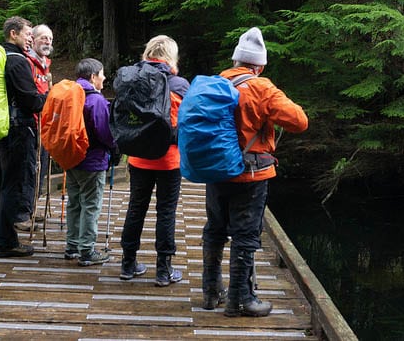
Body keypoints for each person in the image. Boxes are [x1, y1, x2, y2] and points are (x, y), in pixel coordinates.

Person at [202, 27, 308, 316]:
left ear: (235, 60)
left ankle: (211, 293)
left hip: (215, 170)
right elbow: (299, 121)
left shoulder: (216, 82)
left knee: (214, 229)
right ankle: (241, 300)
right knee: (246, 235)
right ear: (259, 65)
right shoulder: (262, 87)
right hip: (250, 175)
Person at [118, 35, 190, 286]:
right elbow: (184, 122)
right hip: (169, 159)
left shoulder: (133, 80)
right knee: (166, 212)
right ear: (171, 57)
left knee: (136, 208)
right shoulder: (179, 84)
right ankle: (163, 270)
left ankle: (127, 264)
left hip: (138, 156)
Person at [0, 16, 47, 257]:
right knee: (12, 183)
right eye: (27, 34)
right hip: (18, 129)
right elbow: (30, 100)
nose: (30, 38)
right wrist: (47, 97)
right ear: (13, 34)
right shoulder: (17, 62)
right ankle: (6, 242)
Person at [64, 58, 116, 266]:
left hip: (71, 158)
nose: (104, 78)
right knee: (91, 205)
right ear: (93, 77)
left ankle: (72, 246)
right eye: (102, 74)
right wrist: (115, 147)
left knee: (74, 202)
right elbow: (104, 132)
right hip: (92, 160)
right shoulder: (96, 100)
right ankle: (87, 250)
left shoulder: (70, 95)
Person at [15, 24, 53, 230]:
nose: (47, 42)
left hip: (44, 125)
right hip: (29, 124)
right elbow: (30, 96)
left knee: (41, 168)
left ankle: (31, 208)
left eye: (50, 39)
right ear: (34, 40)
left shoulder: (45, 64)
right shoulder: (27, 63)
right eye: (43, 38)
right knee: (28, 168)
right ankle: (21, 215)